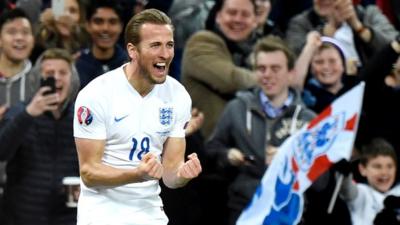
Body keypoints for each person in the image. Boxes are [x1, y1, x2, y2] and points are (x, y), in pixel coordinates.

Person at [73, 8, 202, 225]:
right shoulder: (96, 94)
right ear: (133, 50)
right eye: (155, 45)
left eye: (169, 45)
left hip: (149, 213)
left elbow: (170, 176)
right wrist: (136, 174)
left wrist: (183, 175)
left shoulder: (178, 95)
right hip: (101, 214)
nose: (166, 54)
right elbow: (89, 173)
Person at [206, 36, 316, 225]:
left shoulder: (308, 119)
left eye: (275, 68)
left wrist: (289, 160)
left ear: (291, 73)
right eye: (261, 68)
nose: (267, 74)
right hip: (244, 208)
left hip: (288, 213)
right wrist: (227, 155)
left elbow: (320, 178)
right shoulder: (237, 108)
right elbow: (212, 150)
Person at [0, 48, 80, 225]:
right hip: (21, 216)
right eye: (50, 73)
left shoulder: (82, 118)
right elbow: (2, 152)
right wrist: (29, 114)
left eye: (63, 72)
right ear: (38, 79)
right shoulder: (20, 112)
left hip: (68, 217)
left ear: (72, 80)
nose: (56, 78)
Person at [181, 0, 259, 140]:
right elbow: (231, 80)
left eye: (245, 14)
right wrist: (267, 77)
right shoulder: (202, 41)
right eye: (232, 12)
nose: (238, 19)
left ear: (255, 21)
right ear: (218, 16)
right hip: (205, 149)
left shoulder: (250, 50)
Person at [286, 0, 398, 71]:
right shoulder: (302, 22)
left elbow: (395, 47)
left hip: (370, 81)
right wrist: (325, 33)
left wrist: (359, 27)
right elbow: (291, 60)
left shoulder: (368, 14)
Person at [339, 138, 400, 225]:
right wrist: (345, 173)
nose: (384, 172)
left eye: (389, 166)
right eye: (377, 166)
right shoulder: (362, 193)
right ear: (362, 169)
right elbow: (347, 189)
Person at [75, 0, 128, 89]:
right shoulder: (76, 65)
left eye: (112, 22)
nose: (105, 28)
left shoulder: (132, 64)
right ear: (88, 25)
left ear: (121, 27)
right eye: (98, 21)